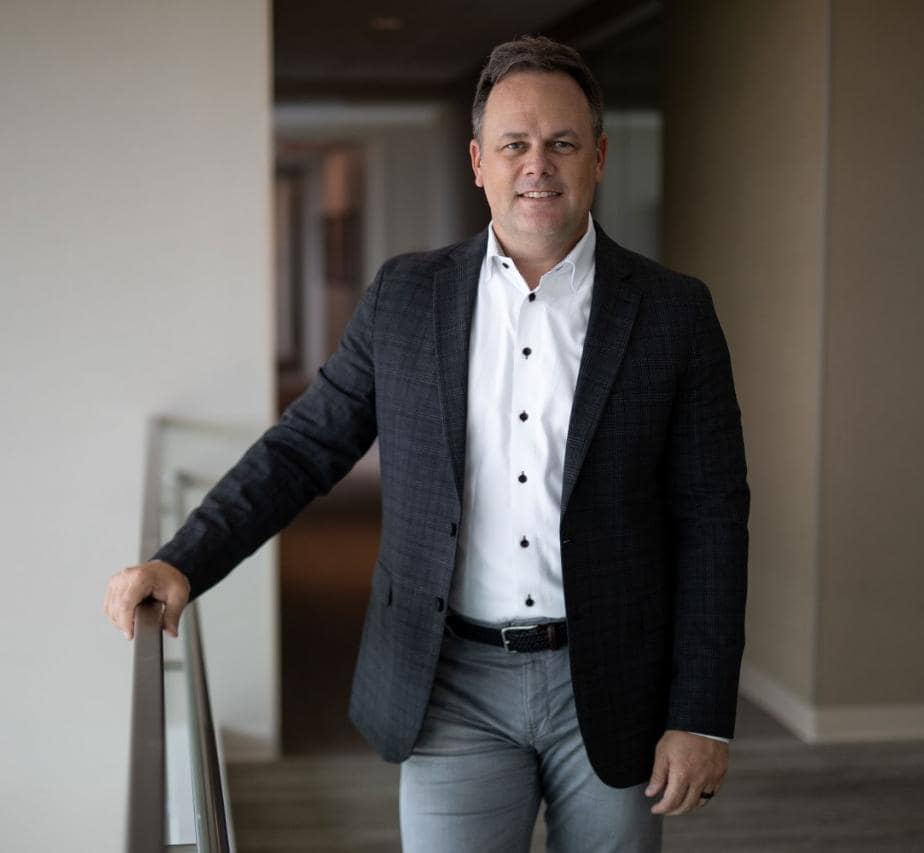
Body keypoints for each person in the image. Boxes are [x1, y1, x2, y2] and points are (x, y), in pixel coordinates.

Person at [104, 36, 749, 853]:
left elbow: (714, 519)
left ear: (600, 157)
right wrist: (185, 558)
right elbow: (306, 445)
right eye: (515, 144)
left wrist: (699, 712)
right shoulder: (408, 296)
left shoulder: (674, 314)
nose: (537, 165)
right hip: (451, 684)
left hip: (616, 675)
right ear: (479, 160)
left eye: (562, 143)